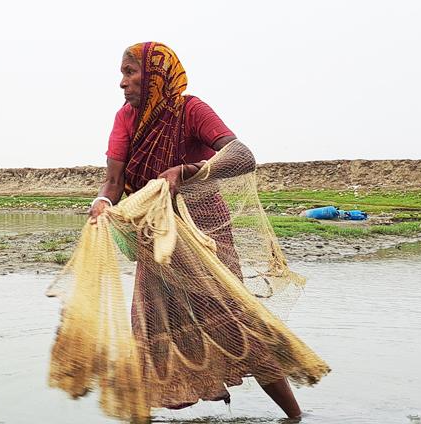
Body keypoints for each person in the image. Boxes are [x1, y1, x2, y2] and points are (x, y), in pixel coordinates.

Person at [87, 42, 305, 419]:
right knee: (150, 331)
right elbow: (113, 181)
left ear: (156, 74)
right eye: (122, 73)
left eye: (130, 72)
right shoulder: (125, 119)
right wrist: (102, 203)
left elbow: (242, 155)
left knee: (232, 323)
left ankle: (296, 416)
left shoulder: (191, 110)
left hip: (205, 234)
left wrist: (190, 171)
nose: (122, 82)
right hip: (155, 236)